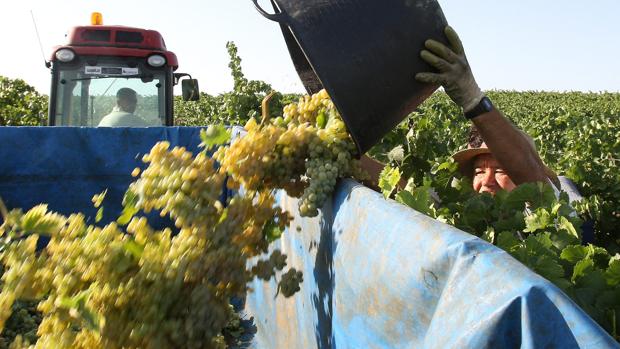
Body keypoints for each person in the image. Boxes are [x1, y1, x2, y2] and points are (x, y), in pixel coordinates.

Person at [362, 26, 559, 195]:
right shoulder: (467, 213)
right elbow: (409, 194)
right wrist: (353, 161)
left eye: (501, 170)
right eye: (479, 172)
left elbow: (532, 178)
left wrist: (472, 97)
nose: (487, 180)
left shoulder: (550, 214)